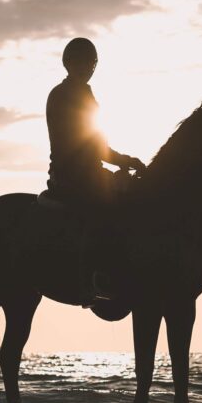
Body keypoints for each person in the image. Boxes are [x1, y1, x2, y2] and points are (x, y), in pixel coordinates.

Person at [45, 38, 145, 297]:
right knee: (104, 208)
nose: (88, 68)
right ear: (68, 63)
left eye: (91, 63)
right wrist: (121, 161)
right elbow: (83, 144)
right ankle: (91, 276)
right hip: (71, 174)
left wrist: (126, 161)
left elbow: (98, 143)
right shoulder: (62, 95)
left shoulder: (84, 93)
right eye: (82, 63)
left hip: (89, 170)